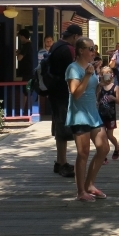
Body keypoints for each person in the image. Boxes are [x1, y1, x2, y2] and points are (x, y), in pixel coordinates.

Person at [65, 37, 109, 201]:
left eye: (94, 48)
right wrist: (87, 76)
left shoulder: (90, 67)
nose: (93, 52)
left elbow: (91, 90)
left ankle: (90, 184)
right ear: (81, 50)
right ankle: (80, 191)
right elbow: (75, 94)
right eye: (90, 49)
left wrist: (102, 84)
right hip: (79, 115)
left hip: (93, 113)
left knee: (103, 148)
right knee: (83, 153)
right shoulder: (73, 69)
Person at [45, 25, 82, 178]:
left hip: (54, 92)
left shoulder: (55, 46)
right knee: (64, 128)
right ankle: (63, 163)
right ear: (74, 36)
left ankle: (60, 161)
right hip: (63, 93)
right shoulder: (68, 50)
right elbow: (72, 71)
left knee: (59, 126)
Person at [97, 67, 119, 161]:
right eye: (105, 73)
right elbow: (97, 98)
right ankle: (104, 154)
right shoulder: (100, 86)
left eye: (109, 72)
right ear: (101, 75)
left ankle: (117, 146)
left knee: (109, 135)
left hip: (111, 115)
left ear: (112, 75)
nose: (107, 74)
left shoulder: (115, 87)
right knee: (102, 135)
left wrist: (113, 98)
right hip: (101, 114)